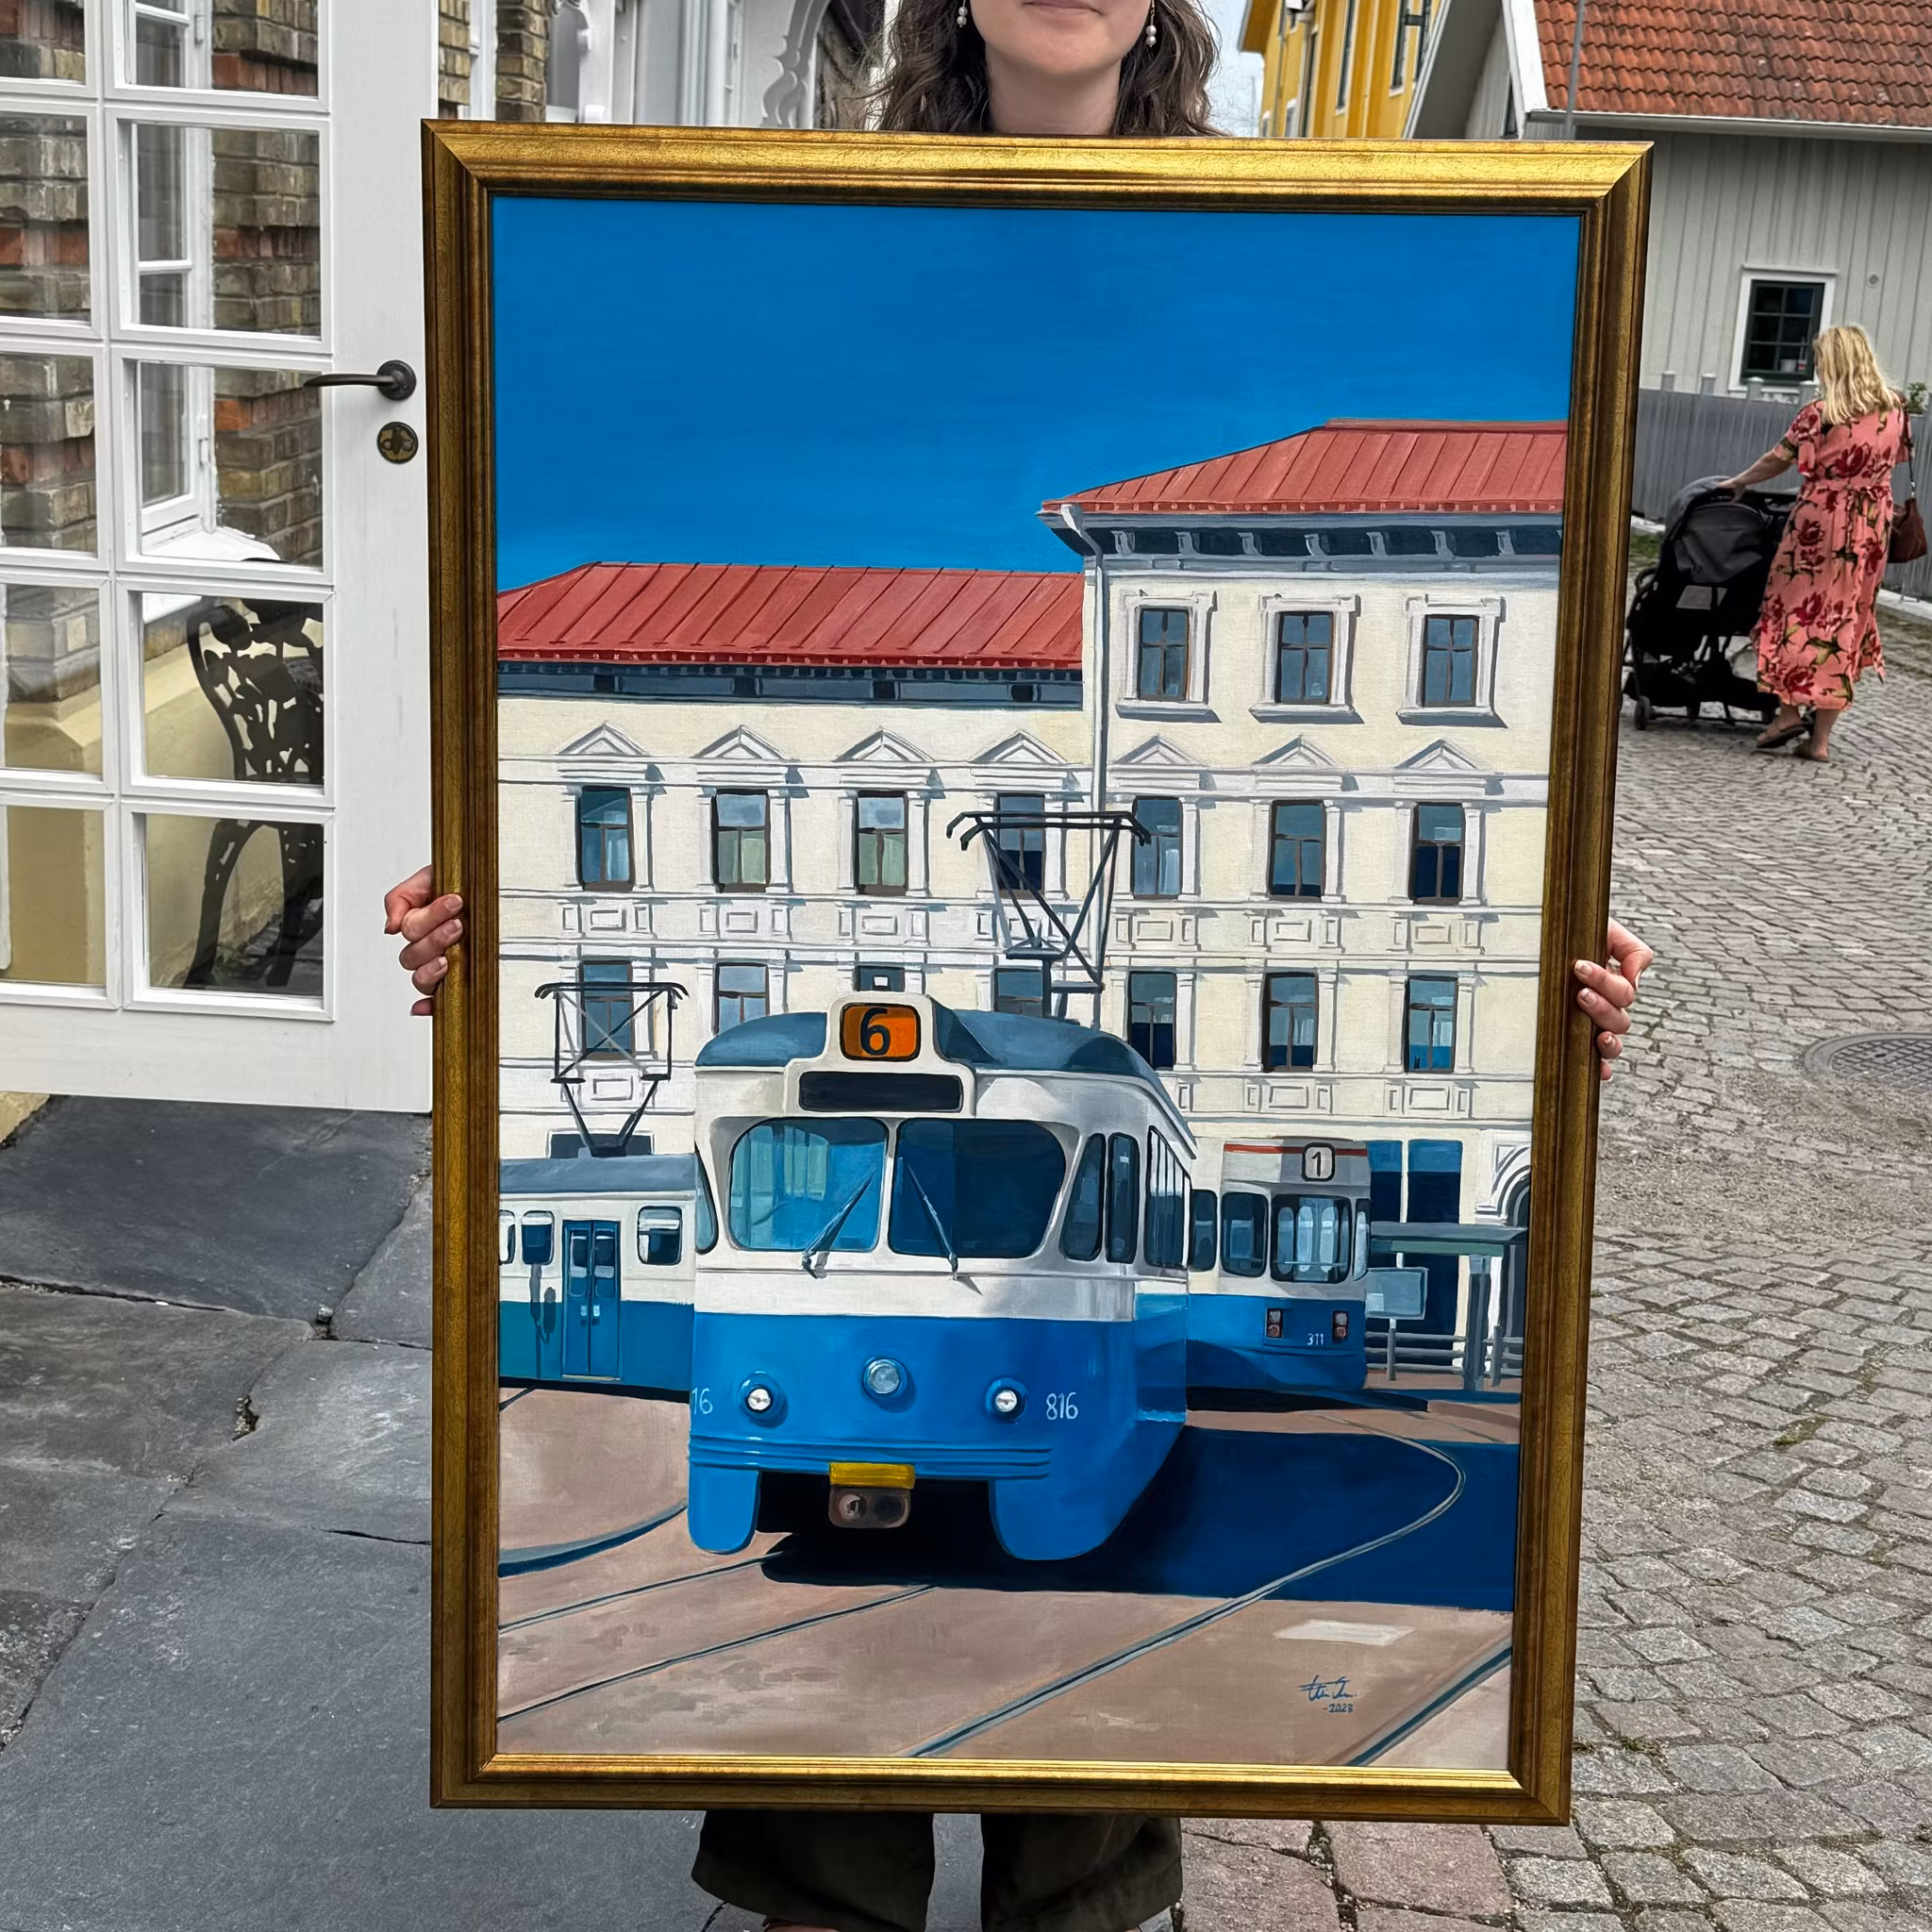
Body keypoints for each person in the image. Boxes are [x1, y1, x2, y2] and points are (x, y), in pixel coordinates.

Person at [389, 0, 1654, 1917]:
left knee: (1083, 1831)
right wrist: (473, 937)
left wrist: (1557, 993)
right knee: (817, 1800)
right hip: (856, 1476)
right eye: (801, 1182)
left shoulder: (1281, 225)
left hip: (1068, 1432)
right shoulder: (787, 212)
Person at [1719, 324, 1910, 765]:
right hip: (1870, 526)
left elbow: (1778, 459)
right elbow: (1891, 460)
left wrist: (1740, 481)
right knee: (1847, 619)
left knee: (1796, 613)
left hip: (1821, 521)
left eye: (1821, 359)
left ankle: (1788, 715)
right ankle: (1819, 741)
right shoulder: (1896, 409)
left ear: (1833, 363)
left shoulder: (1820, 413)